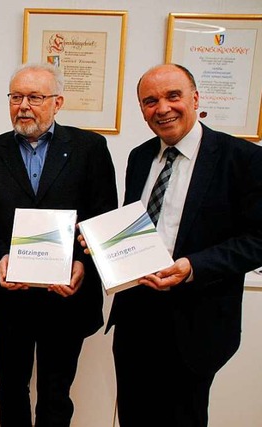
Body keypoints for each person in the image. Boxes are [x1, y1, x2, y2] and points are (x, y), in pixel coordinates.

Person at [103, 63, 262, 427]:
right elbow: (135, 227)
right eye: (150, 101)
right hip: (135, 319)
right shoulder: (140, 157)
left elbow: (258, 239)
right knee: (134, 415)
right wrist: (104, 243)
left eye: (173, 96)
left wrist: (193, 267)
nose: (162, 108)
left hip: (196, 322)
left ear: (195, 98)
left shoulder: (243, 159)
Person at [0, 63, 118, 427]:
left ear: (57, 102)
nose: (24, 105)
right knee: (11, 388)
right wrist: (0, 258)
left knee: (56, 394)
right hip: (12, 296)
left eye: (35, 97)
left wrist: (83, 264)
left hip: (67, 297)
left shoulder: (90, 148)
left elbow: (103, 218)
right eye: (16, 97)